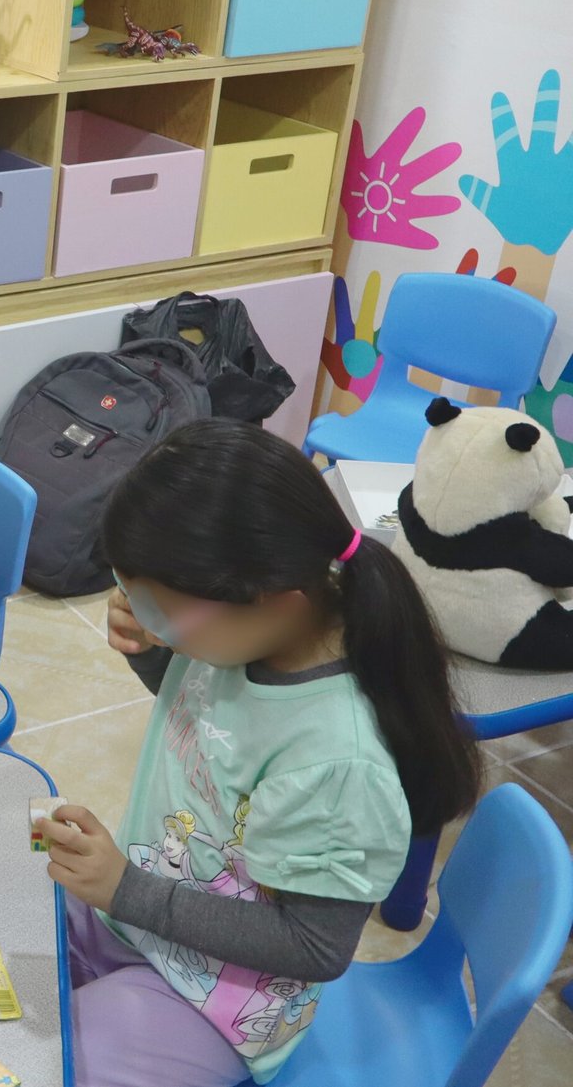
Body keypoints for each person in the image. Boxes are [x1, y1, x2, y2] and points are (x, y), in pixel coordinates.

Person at [35, 420, 481, 1087]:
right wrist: (157, 644)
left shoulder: (337, 761)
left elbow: (314, 945)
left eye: (162, 606)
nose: (139, 610)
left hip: (219, 998)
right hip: (139, 921)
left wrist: (126, 890)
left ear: (274, 601)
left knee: (54, 1066)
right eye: (135, 594)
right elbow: (207, 721)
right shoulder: (245, 635)